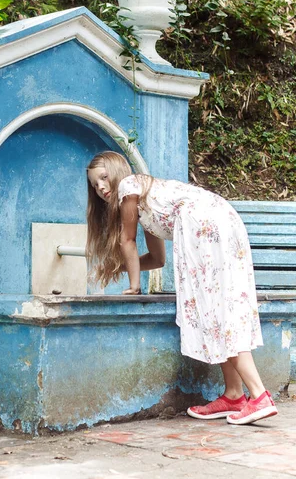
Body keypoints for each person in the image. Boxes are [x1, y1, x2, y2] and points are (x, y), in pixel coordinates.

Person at [86, 150, 278, 426]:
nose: (101, 187)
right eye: (95, 184)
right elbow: (157, 259)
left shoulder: (128, 186)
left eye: (103, 178)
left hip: (202, 224)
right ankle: (235, 395)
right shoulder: (147, 196)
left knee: (215, 308)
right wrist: (120, 268)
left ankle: (258, 395)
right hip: (220, 217)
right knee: (218, 306)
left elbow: (127, 241)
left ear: (117, 171)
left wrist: (133, 286)